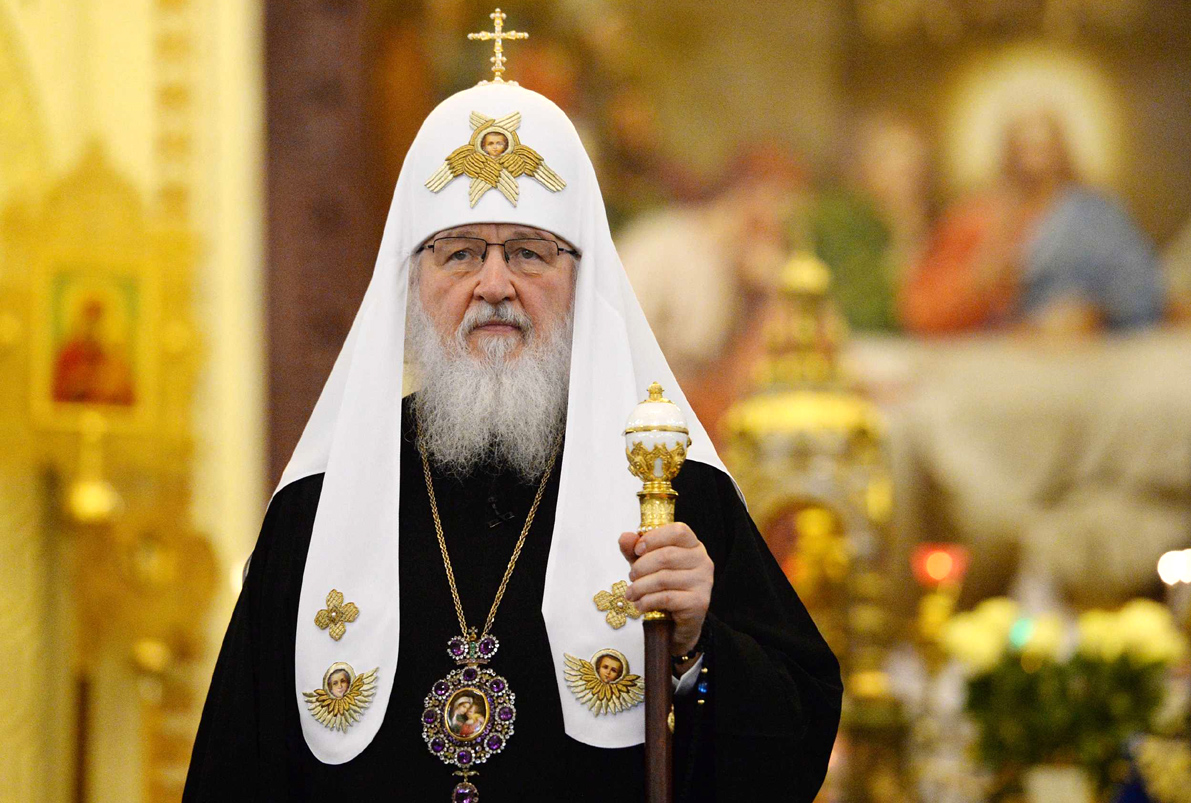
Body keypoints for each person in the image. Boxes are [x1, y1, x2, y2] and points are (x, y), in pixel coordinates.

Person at [184, 76, 839, 803]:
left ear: (582, 281)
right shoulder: (317, 510)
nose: (494, 284)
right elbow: (234, 772)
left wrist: (697, 647)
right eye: (460, 253)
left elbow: (793, 751)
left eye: (529, 253)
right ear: (411, 284)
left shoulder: (669, 492)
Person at [900, 109, 1164, 336]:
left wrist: (1094, 312)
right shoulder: (974, 218)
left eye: (1043, 148)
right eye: (1023, 148)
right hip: (1000, 358)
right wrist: (977, 283)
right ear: (1007, 153)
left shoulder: (1095, 214)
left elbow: (1141, 290)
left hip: (1088, 358)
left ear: (1061, 150)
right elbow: (924, 312)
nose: (1034, 160)